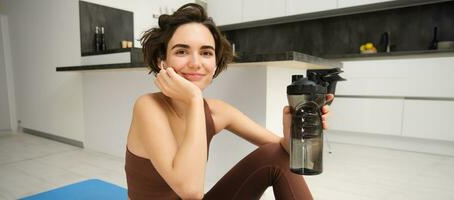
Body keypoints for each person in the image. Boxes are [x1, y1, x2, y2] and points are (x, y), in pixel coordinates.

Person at [125, 3, 333, 200]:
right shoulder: (148, 107)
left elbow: (281, 150)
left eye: (206, 53)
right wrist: (194, 99)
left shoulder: (216, 111)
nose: (196, 63)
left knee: (276, 154)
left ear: (215, 64)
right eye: (181, 51)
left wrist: (292, 134)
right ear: (163, 61)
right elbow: (191, 192)